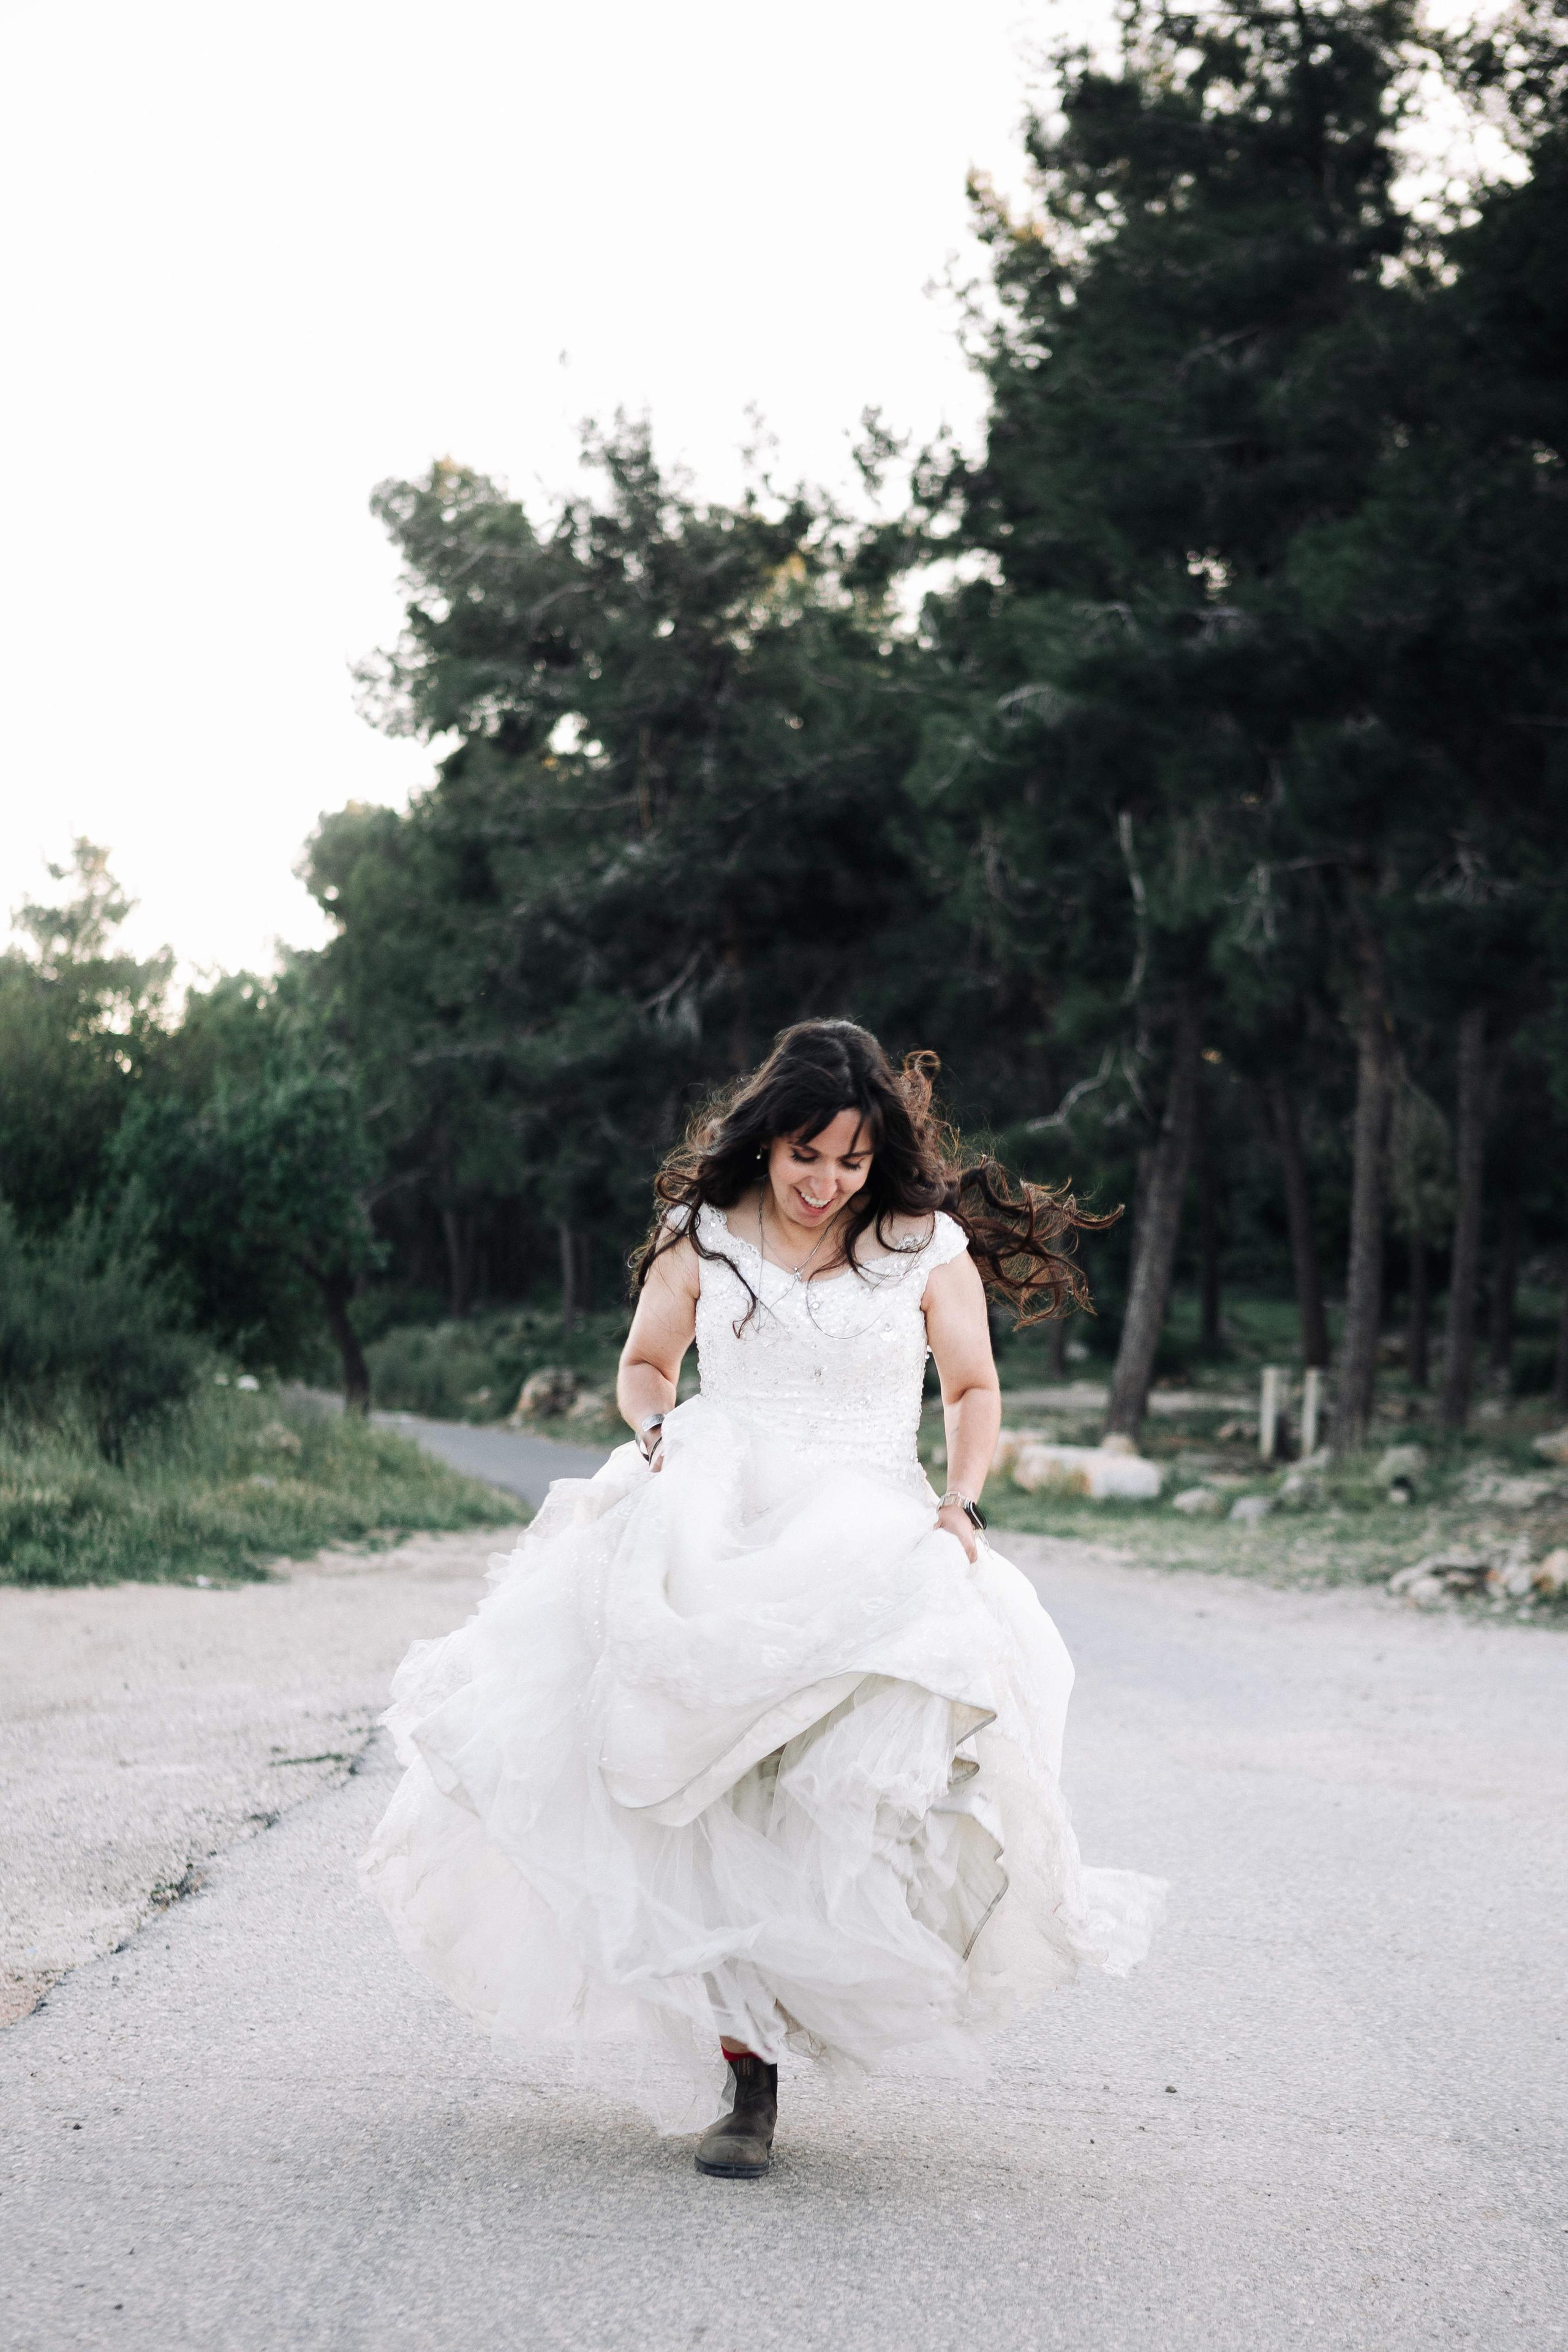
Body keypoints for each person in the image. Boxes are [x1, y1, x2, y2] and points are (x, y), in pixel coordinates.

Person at [362, 1020, 1163, 2179]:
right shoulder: (707, 1239)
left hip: (870, 1532)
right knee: (706, 1794)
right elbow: (646, 1368)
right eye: (805, 1157)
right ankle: (749, 2084)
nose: (825, 1184)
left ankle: (817, 2001)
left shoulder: (922, 1246)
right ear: (767, 1141)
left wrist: (965, 1503)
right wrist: (653, 1441)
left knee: (834, 1796)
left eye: (848, 1160)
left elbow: (974, 1385)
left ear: (876, 1152)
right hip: (715, 1524)